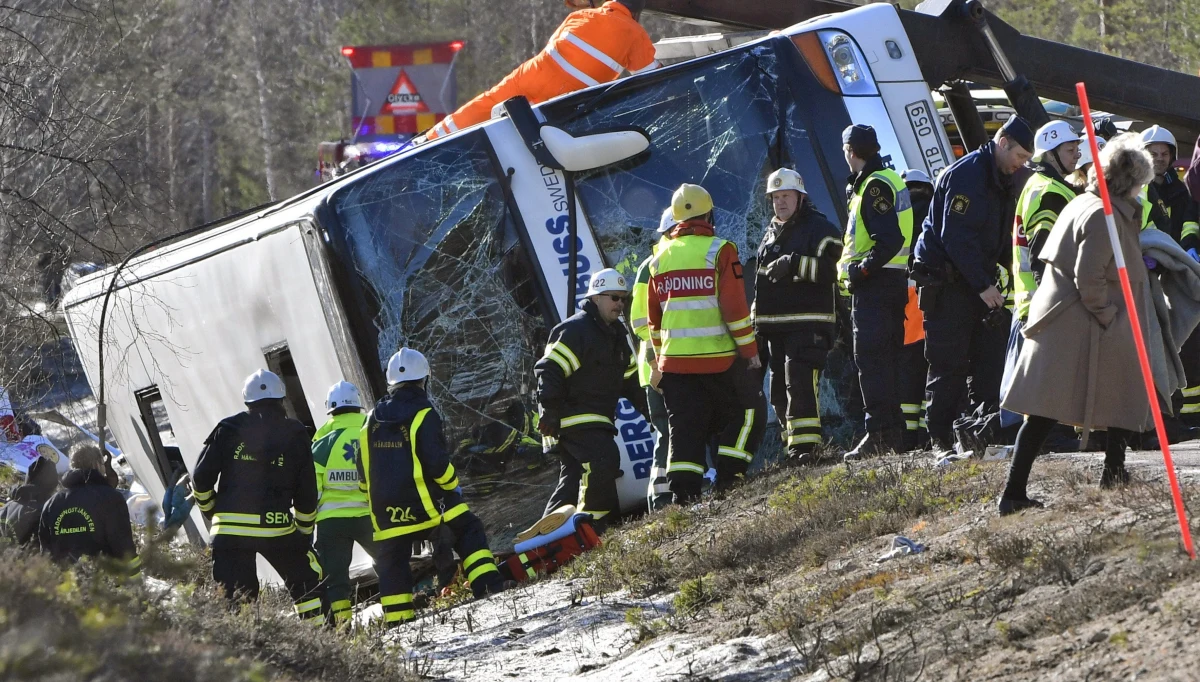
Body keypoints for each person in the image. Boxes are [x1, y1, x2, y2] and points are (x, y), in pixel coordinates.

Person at [999, 133, 1157, 513]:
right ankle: (1017, 494)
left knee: (1058, 407)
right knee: (1112, 393)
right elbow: (1090, 277)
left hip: (1068, 323)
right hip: (1082, 322)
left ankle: (1106, 475)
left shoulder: (1090, 203)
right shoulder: (1105, 216)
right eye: (1140, 183)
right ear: (1129, 181)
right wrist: (1108, 315)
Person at [912, 116, 1034, 453]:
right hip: (949, 283)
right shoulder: (967, 175)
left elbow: (1000, 236)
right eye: (1020, 156)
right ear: (1003, 142)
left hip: (975, 283)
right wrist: (983, 285)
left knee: (988, 361)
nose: (1021, 164)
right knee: (948, 364)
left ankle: (980, 432)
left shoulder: (1001, 178)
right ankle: (938, 439)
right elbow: (956, 236)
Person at [359, 348, 506, 626]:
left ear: (391, 382)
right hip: (428, 507)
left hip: (386, 514)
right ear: (425, 379)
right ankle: (488, 588)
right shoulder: (424, 413)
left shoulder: (369, 420)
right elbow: (437, 464)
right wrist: (453, 486)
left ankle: (398, 621)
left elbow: (362, 472)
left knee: (391, 560)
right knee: (469, 528)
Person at [646, 184, 762, 502]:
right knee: (750, 410)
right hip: (719, 359)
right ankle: (729, 475)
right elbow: (736, 310)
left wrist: (661, 362)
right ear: (709, 215)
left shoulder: (658, 259)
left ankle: (684, 496)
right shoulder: (720, 249)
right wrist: (749, 353)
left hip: (675, 367)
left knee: (685, 428)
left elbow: (654, 322)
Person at [192, 370, 329, 624]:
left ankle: (247, 657)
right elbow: (306, 491)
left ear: (247, 400)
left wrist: (213, 512)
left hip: (230, 533)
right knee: (307, 584)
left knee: (235, 602)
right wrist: (303, 533)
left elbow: (200, 479)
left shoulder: (227, 428)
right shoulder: (295, 434)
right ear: (282, 399)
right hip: (275, 528)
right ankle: (322, 641)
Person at [426, 0, 658, 139]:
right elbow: (654, 77)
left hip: (534, 73)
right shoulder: (635, 34)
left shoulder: (580, 15)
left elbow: (553, 42)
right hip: (568, 98)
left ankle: (432, 137)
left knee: (489, 102)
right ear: (636, 13)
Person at [536, 267, 647, 528]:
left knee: (572, 479)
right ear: (596, 297)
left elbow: (630, 382)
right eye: (614, 298)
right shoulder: (576, 331)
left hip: (596, 419)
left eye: (624, 298)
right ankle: (589, 529)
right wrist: (549, 411)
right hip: (571, 417)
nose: (620, 305)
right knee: (603, 460)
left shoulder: (617, 336)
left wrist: (651, 412)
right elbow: (549, 369)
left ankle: (545, 539)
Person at [753, 168, 841, 464]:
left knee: (799, 381)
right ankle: (793, 448)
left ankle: (808, 451)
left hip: (808, 323)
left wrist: (795, 264)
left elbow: (832, 271)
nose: (780, 203)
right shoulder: (771, 233)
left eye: (786, 196)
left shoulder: (819, 229)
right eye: (775, 197)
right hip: (774, 328)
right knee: (779, 389)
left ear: (800, 197)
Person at [837, 125, 914, 460]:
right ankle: (892, 434)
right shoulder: (883, 179)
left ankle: (879, 434)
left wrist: (860, 270)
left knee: (871, 362)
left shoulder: (873, 185)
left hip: (876, 286)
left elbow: (890, 239)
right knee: (884, 361)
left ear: (850, 151)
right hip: (890, 284)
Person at [311, 380, 379, 625]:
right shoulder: (371, 428)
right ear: (358, 404)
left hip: (332, 521)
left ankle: (343, 627)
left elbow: (313, 487)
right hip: (370, 515)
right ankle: (400, 612)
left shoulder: (323, 437)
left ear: (331, 407)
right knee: (388, 563)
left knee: (335, 579)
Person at [38, 445, 140, 578]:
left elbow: (46, 553)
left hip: (67, 589)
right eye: (103, 464)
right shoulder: (110, 498)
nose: (104, 469)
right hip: (104, 587)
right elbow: (123, 545)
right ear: (96, 464)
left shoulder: (52, 503)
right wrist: (135, 583)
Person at [630, 209, 675, 510]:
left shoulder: (661, 263)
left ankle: (664, 496)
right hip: (661, 369)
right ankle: (661, 499)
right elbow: (639, 322)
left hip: (665, 366)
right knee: (669, 431)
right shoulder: (652, 268)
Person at [898, 169, 935, 450]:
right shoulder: (934, 220)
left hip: (905, 317)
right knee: (930, 376)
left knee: (909, 381)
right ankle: (927, 435)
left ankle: (910, 438)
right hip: (932, 312)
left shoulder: (898, 221)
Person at [0, 456, 58, 545]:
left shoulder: (6, 508)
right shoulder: (49, 513)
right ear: (53, 485)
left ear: (28, 478)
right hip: (32, 557)